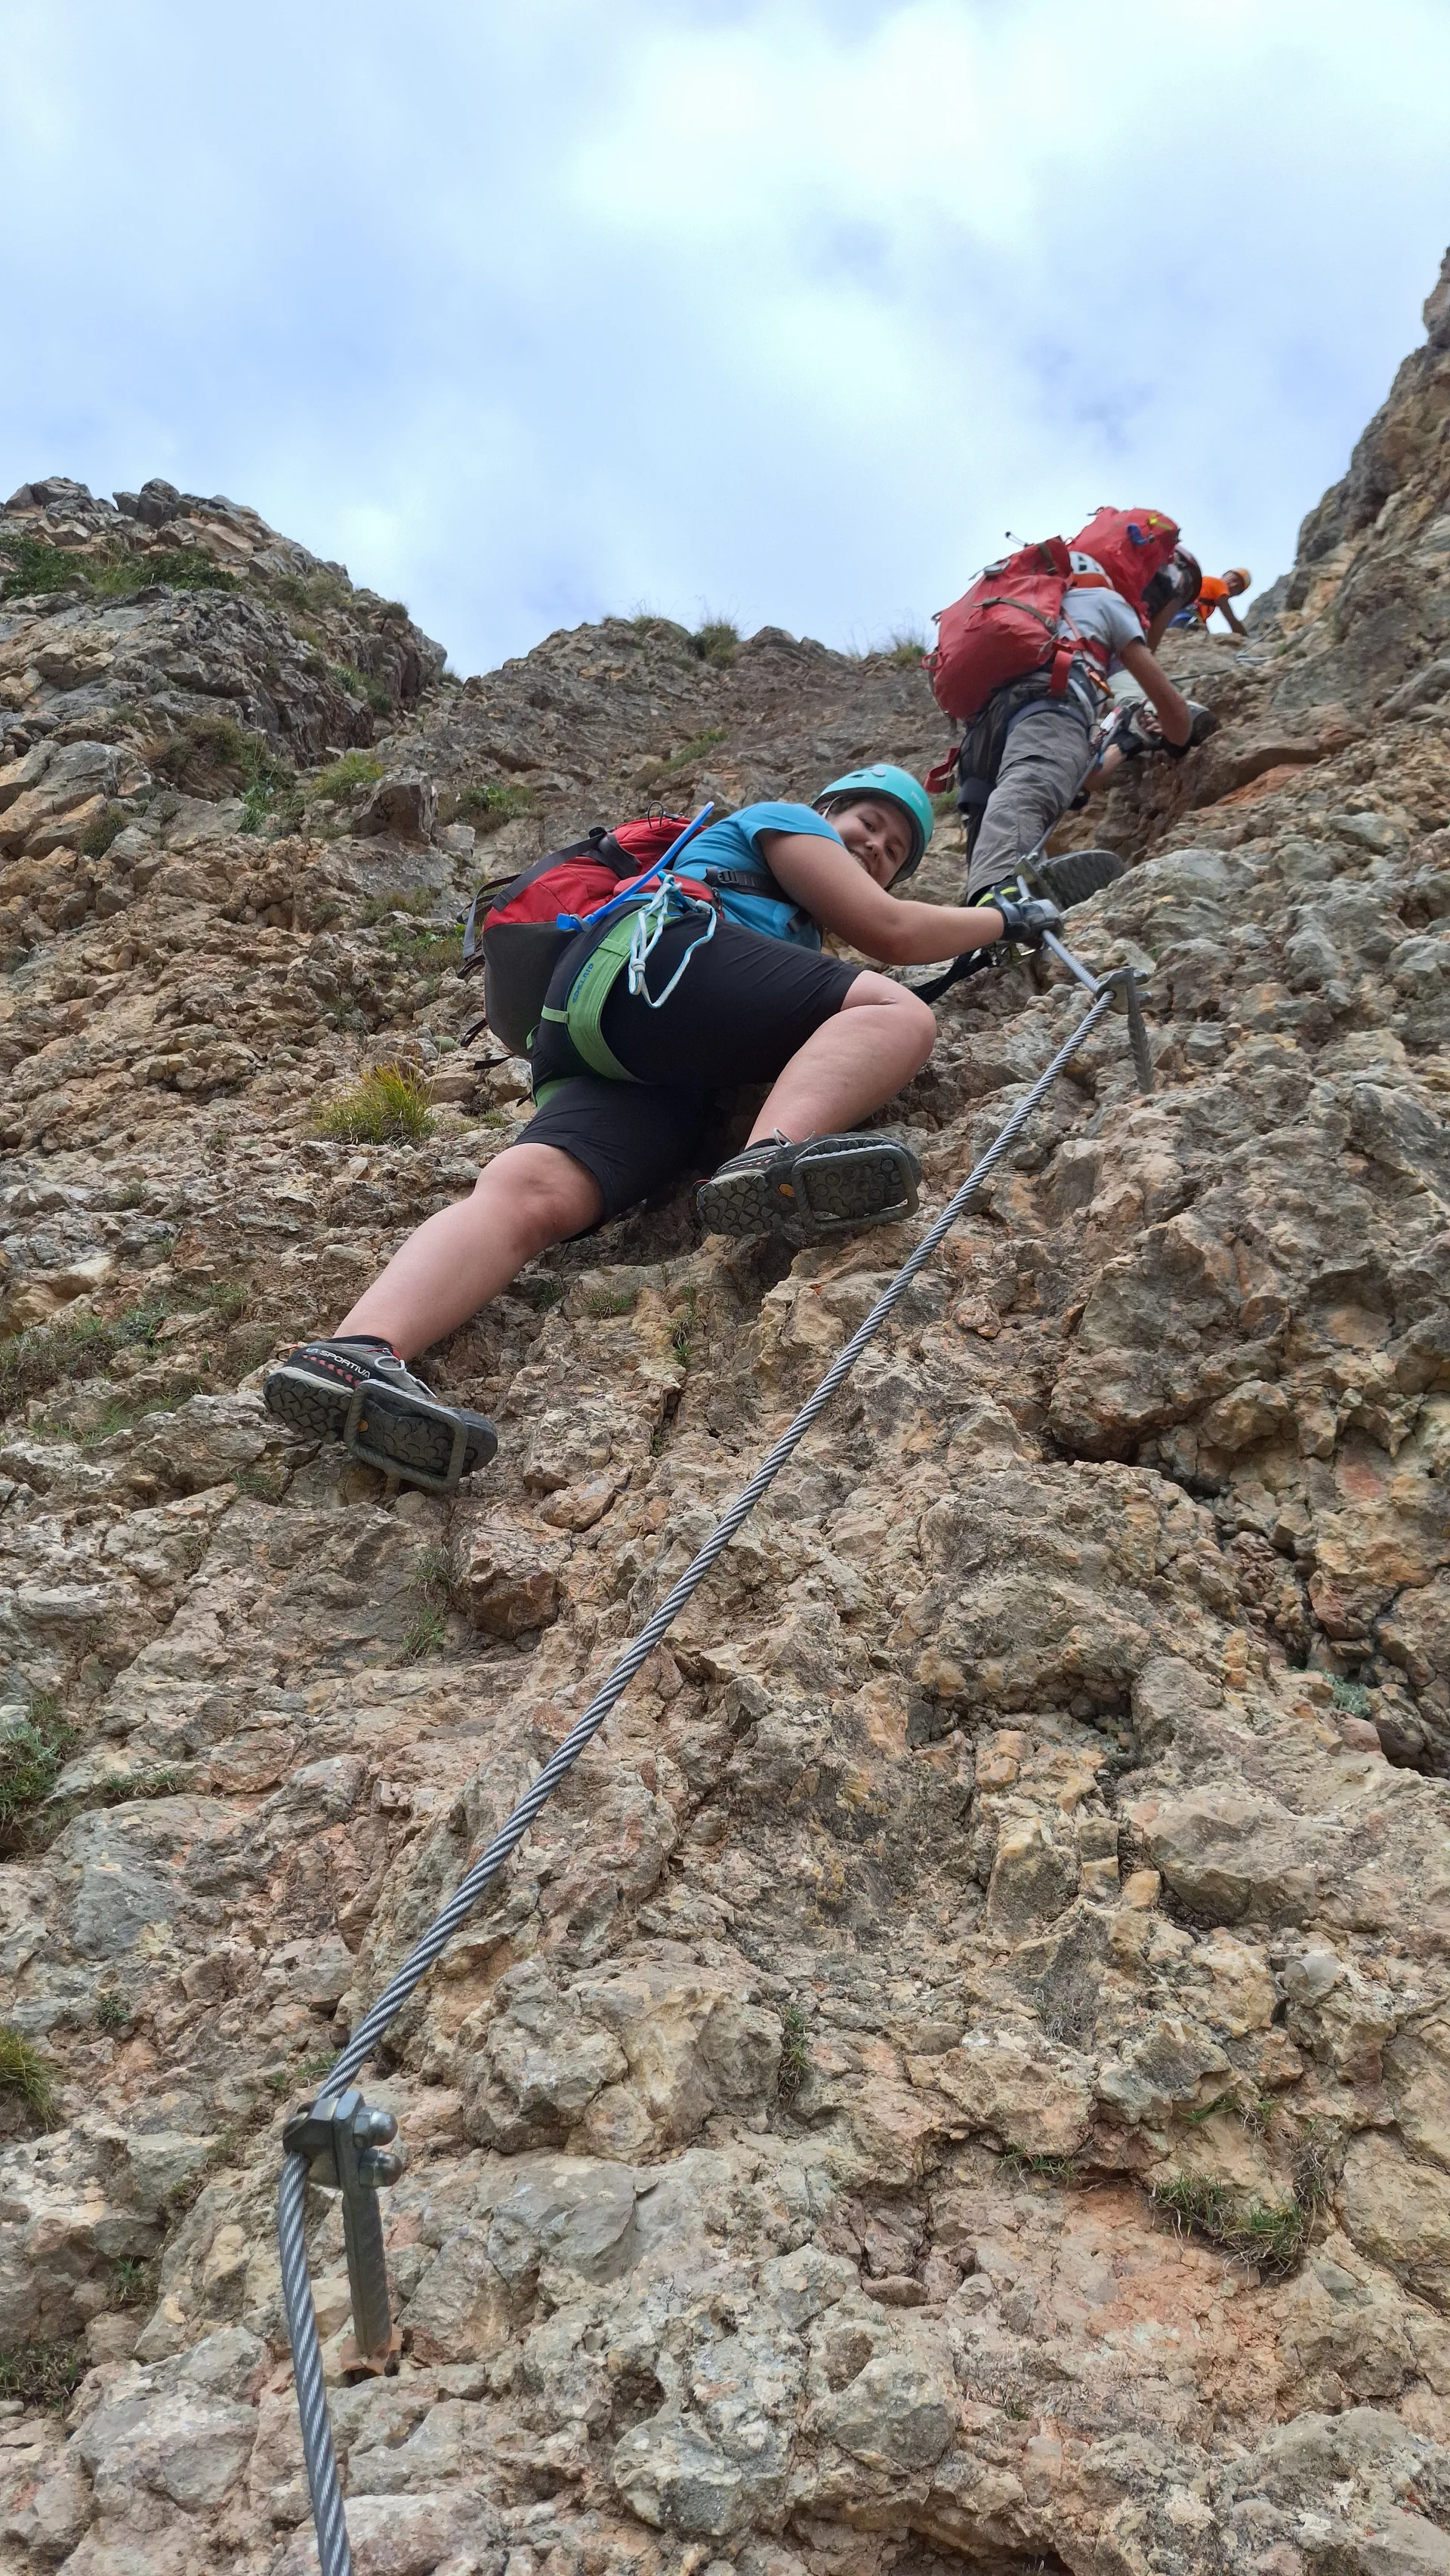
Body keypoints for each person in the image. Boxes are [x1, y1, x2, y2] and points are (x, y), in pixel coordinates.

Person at [263, 764, 1062, 1489]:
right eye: (867, 823)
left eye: (893, 850)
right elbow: (891, 934)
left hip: (605, 1032)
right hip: (663, 959)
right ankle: (768, 1160)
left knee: (531, 1195)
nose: (876, 846)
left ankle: (357, 1351)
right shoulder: (781, 819)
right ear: (828, 810)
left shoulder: (780, 923)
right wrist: (1006, 920)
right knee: (892, 1012)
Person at [955, 529, 1195, 910]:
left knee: (997, 809)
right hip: (1053, 700)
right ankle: (1001, 899)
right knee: (1030, 791)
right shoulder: (1107, 601)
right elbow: (1177, 721)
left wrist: (1127, 743)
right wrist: (1176, 723)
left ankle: (987, 913)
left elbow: (1083, 775)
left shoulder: (1040, 607)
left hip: (983, 729)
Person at [1187, 567, 1251, 637]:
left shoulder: (1211, 602)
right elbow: (1231, 619)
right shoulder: (1219, 584)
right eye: (1234, 580)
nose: (1233, 585)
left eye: (1238, 587)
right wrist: (1245, 637)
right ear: (1224, 575)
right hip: (1186, 613)